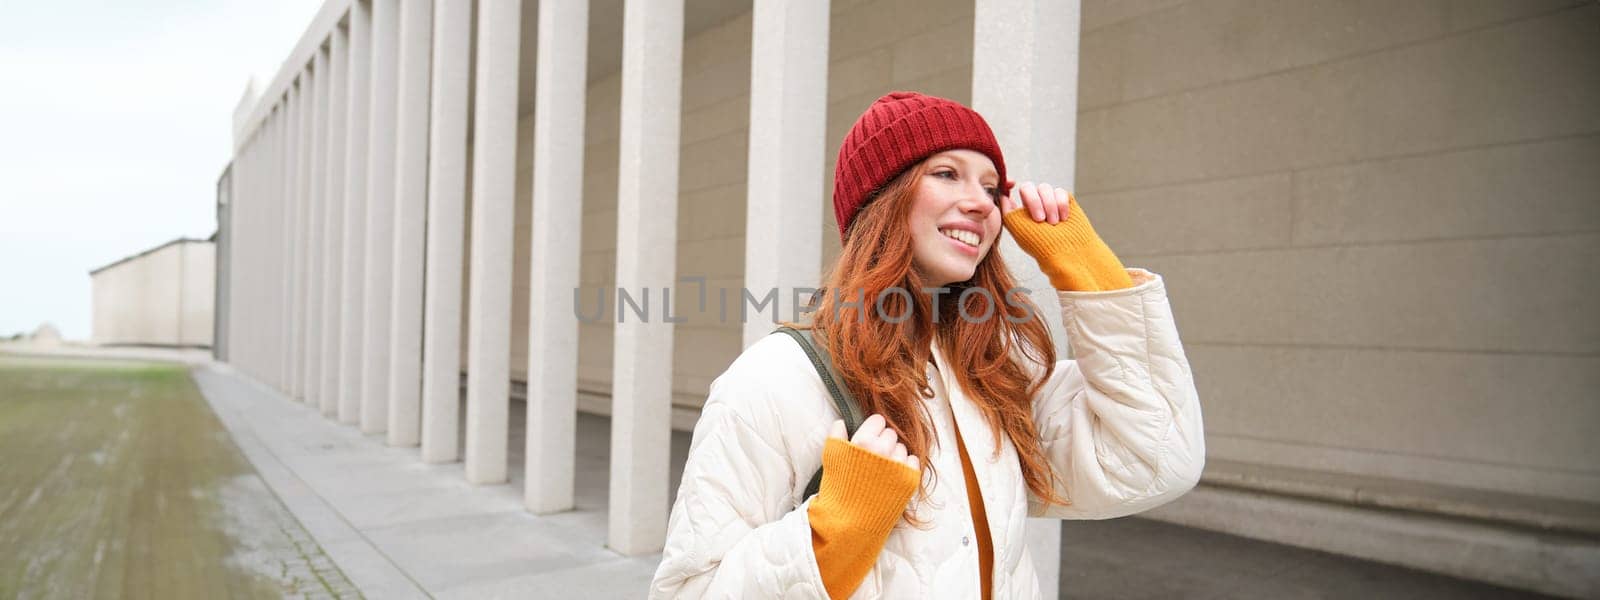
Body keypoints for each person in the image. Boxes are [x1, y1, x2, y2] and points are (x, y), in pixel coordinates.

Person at [649, 91, 1205, 599]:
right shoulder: (774, 378)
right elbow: (687, 591)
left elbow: (1154, 459)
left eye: (991, 187)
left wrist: (1088, 270)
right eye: (947, 173)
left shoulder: (996, 369)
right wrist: (830, 534)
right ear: (882, 200)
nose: (983, 203)